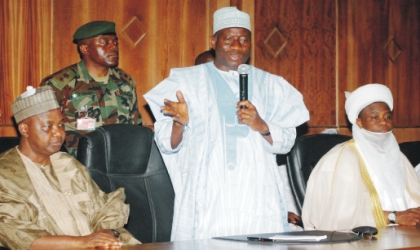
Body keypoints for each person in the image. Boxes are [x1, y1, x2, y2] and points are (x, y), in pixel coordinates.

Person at [144, 6, 309, 240]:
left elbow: (287, 143)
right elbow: (167, 144)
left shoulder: (272, 85)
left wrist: (262, 125)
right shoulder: (186, 82)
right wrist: (179, 123)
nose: (236, 46)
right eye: (228, 39)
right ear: (213, 41)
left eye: (243, 40)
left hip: (257, 195)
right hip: (208, 196)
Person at [0, 86, 140, 249]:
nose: (58, 133)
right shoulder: (5, 173)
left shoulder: (67, 164)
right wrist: (82, 242)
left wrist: (103, 237)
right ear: (24, 129)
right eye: (48, 126)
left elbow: (103, 209)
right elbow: (13, 231)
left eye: (60, 125)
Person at [302, 83, 420, 231]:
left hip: (407, 234)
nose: (384, 122)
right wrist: (393, 217)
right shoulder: (340, 159)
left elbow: (413, 198)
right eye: (375, 117)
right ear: (359, 123)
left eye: (387, 116)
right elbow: (334, 217)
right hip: (363, 239)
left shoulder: (398, 157)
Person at [40, 21, 141, 157]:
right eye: (104, 42)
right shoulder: (59, 84)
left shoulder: (125, 83)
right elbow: (43, 133)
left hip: (121, 164)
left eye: (115, 42)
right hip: (77, 167)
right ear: (85, 49)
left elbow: (136, 128)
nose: (113, 47)